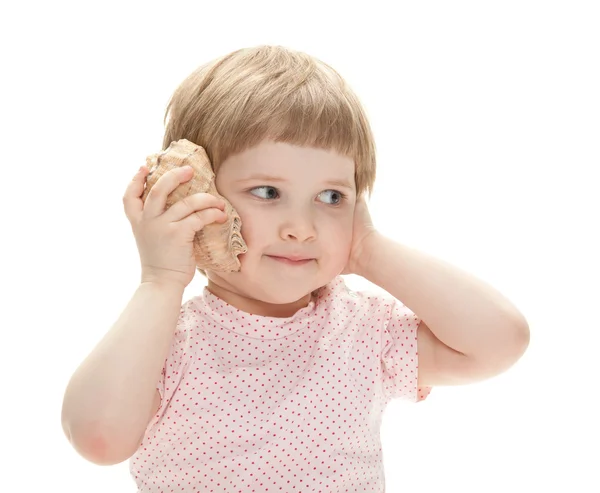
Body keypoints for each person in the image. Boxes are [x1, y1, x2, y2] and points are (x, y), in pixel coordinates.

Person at [61, 45, 530, 492]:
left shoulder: (363, 330)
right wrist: (160, 281)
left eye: (331, 197)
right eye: (268, 192)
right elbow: (99, 438)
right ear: (195, 196)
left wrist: (368, 250)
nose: (302, 228)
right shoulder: (166, 341)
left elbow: (501, 342)